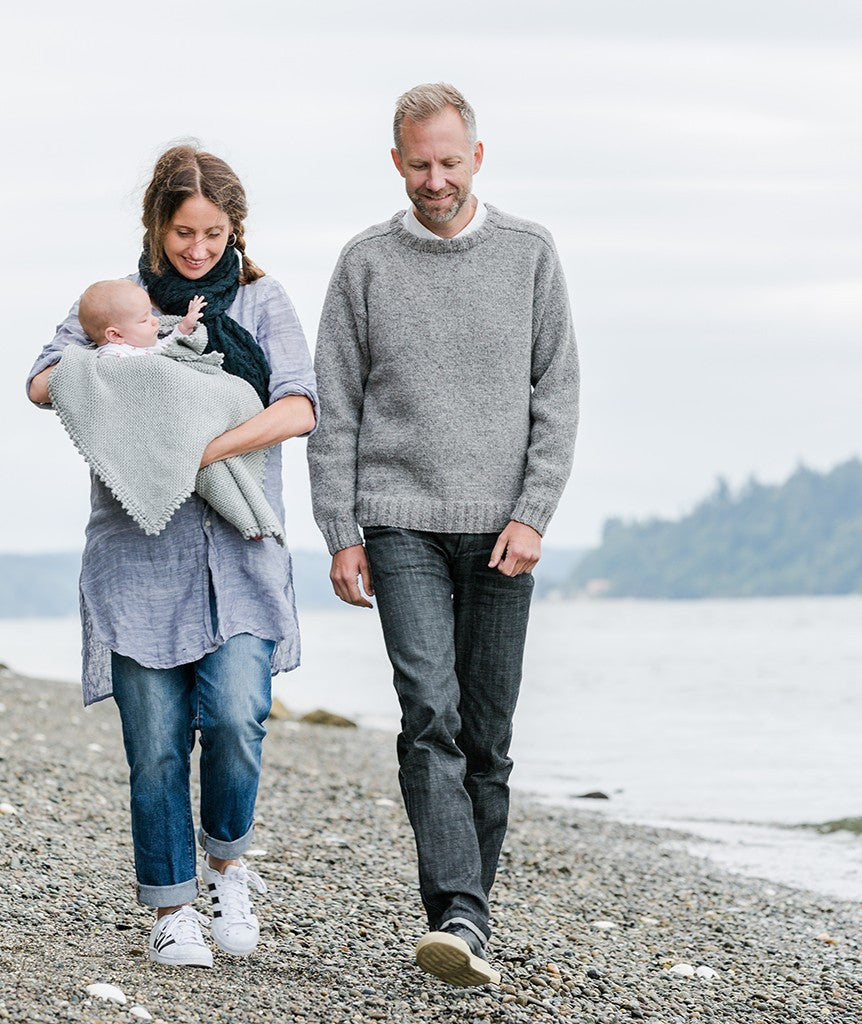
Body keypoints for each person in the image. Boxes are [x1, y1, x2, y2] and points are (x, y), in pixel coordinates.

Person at [307, 83, 579, 988]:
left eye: (449, 163)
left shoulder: (529, 253)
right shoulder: (365, 263)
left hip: (503, 527)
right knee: (430, 712)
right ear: (397, 162)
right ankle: (457, 909)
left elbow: (558, 396)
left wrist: (534, 512)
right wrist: (341, 530)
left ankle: (468, 923)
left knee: (489, 736)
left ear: (477, 157)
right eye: (418, 164)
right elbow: (336, 406)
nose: (434, 180)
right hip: (399, 521)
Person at [27, 144, 318, 968]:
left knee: (234, 718)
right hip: (136, 560)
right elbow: (45, 381)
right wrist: (122, 357)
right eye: (183, 232)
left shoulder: (264, 301)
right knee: (153, 743)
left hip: (240, 552)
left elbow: (300, 404)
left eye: (214, 234)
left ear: (235, 229)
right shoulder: (119, 304)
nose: (198, 250)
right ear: (155, 224)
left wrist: (191, 446)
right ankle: (171, 908)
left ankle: (228, 864)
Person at [77, 278, 206, 358]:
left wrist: (185, 326)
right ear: (116, 335)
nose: (155, 320)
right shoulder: (113, 356)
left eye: (151, 313)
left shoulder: (146, 346)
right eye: (144, 320)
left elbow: (170, 345)